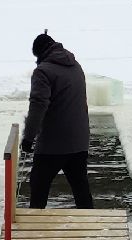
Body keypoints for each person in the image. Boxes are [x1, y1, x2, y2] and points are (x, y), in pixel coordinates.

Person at [20, 31, 93, 209]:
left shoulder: (43, 71)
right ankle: (89, 226)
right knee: (81, 188)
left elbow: (38, 105)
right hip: (79, 139)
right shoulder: (75, 65)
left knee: (38, 186)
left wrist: (28, 137)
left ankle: (35, 226)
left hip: (53, 143)